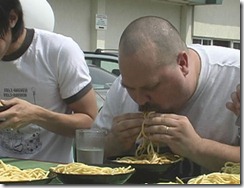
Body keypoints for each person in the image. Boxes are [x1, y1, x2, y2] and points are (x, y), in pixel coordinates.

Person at [93, 16, 240, 177]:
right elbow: (85, 155)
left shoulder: (235, 76)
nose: (139, 100)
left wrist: (198, 147)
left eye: (151, 87)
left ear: (183, 63)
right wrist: (113, 143)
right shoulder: (123, 86)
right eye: (130, 89)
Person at [0, 0, 98, 163]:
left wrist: (36, 115)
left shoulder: (59, 51)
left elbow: (91, 124)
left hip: (52, 177)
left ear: (12, 19)